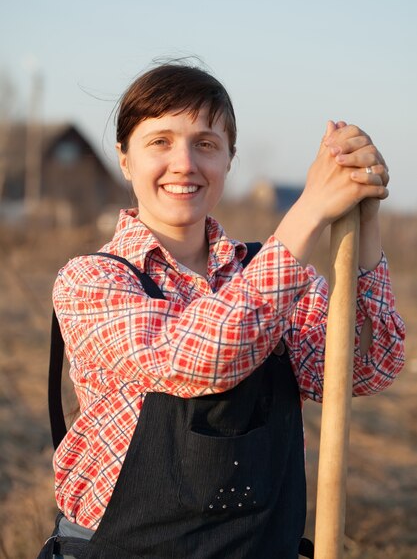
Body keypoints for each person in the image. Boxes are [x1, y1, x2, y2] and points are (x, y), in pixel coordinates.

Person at [45, 62, 404, 559]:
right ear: (125, 159)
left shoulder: (267, 271)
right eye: (160, 142)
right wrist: (308, 211)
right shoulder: (92, 282)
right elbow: (202, 359)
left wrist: (366, 219)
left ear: (229, 159)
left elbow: (366, 366)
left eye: (206, 144)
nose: (185, 163)